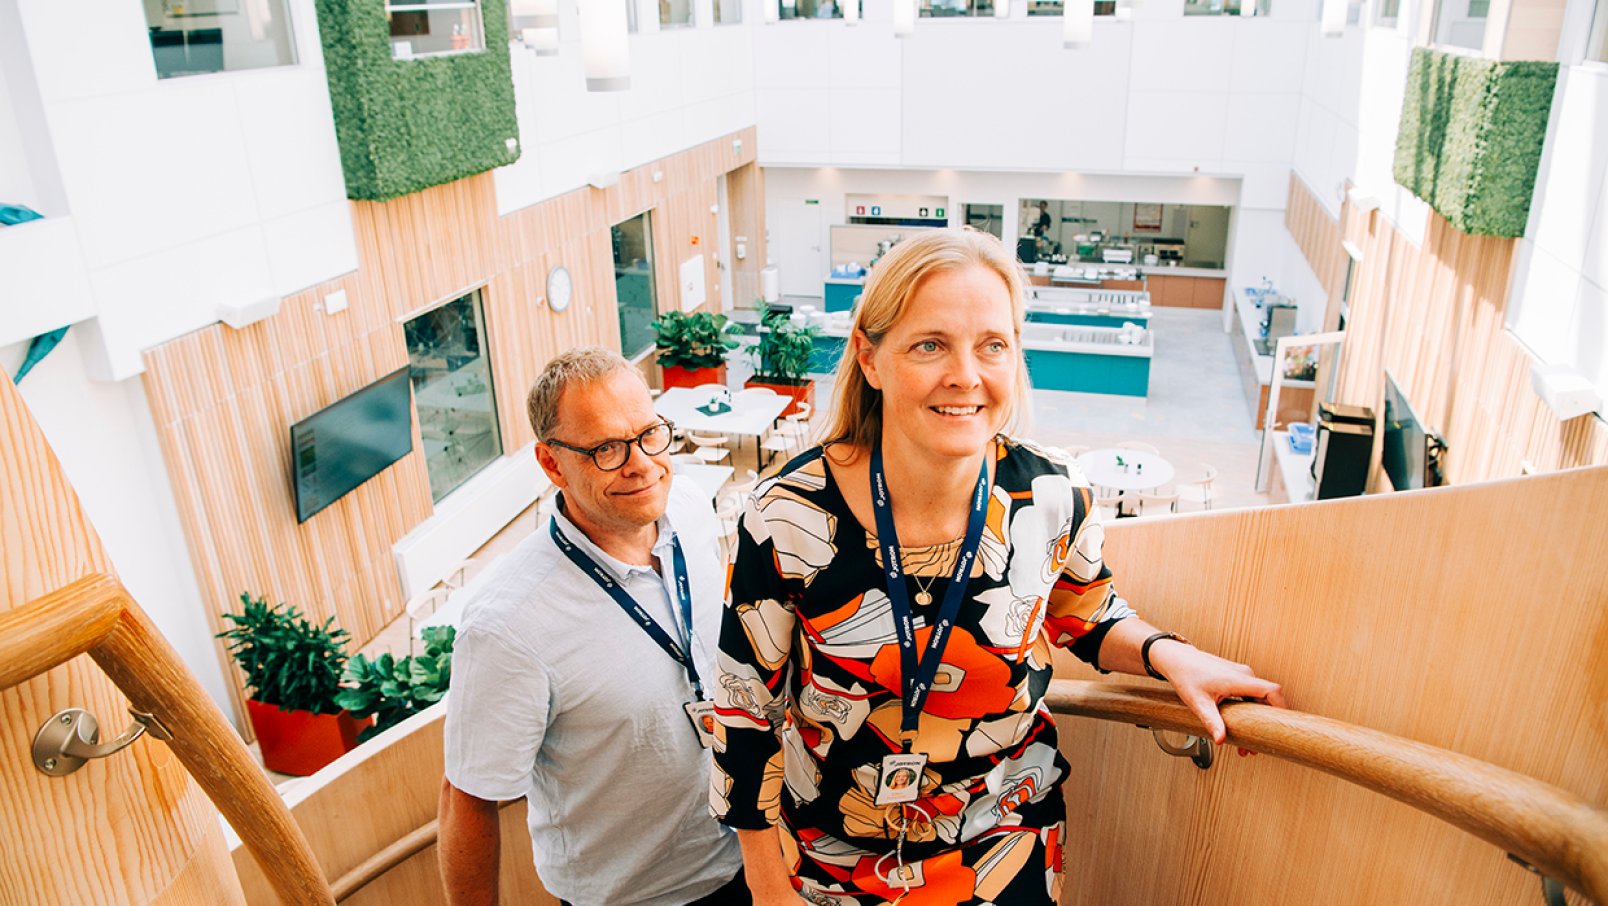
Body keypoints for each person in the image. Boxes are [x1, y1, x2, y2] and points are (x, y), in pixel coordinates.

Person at [709, 229, 1284, 904]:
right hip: (833, 858)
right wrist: (767, 885)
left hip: (1005, 847)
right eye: (931, 344)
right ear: (869, 357)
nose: (966, 375)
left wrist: (1170, 656)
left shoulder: (1050, 493)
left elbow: (1084, 611)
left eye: (993, 345)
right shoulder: (786, 515)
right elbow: (744, 707)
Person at [439, 347, 747, 906]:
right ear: (552, 463)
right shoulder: (506, 626)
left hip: (748, 860)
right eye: (606, 448)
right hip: (632, 898)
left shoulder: (696, 511)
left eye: (650, 433)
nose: (641, 464)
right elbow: (470, 796)